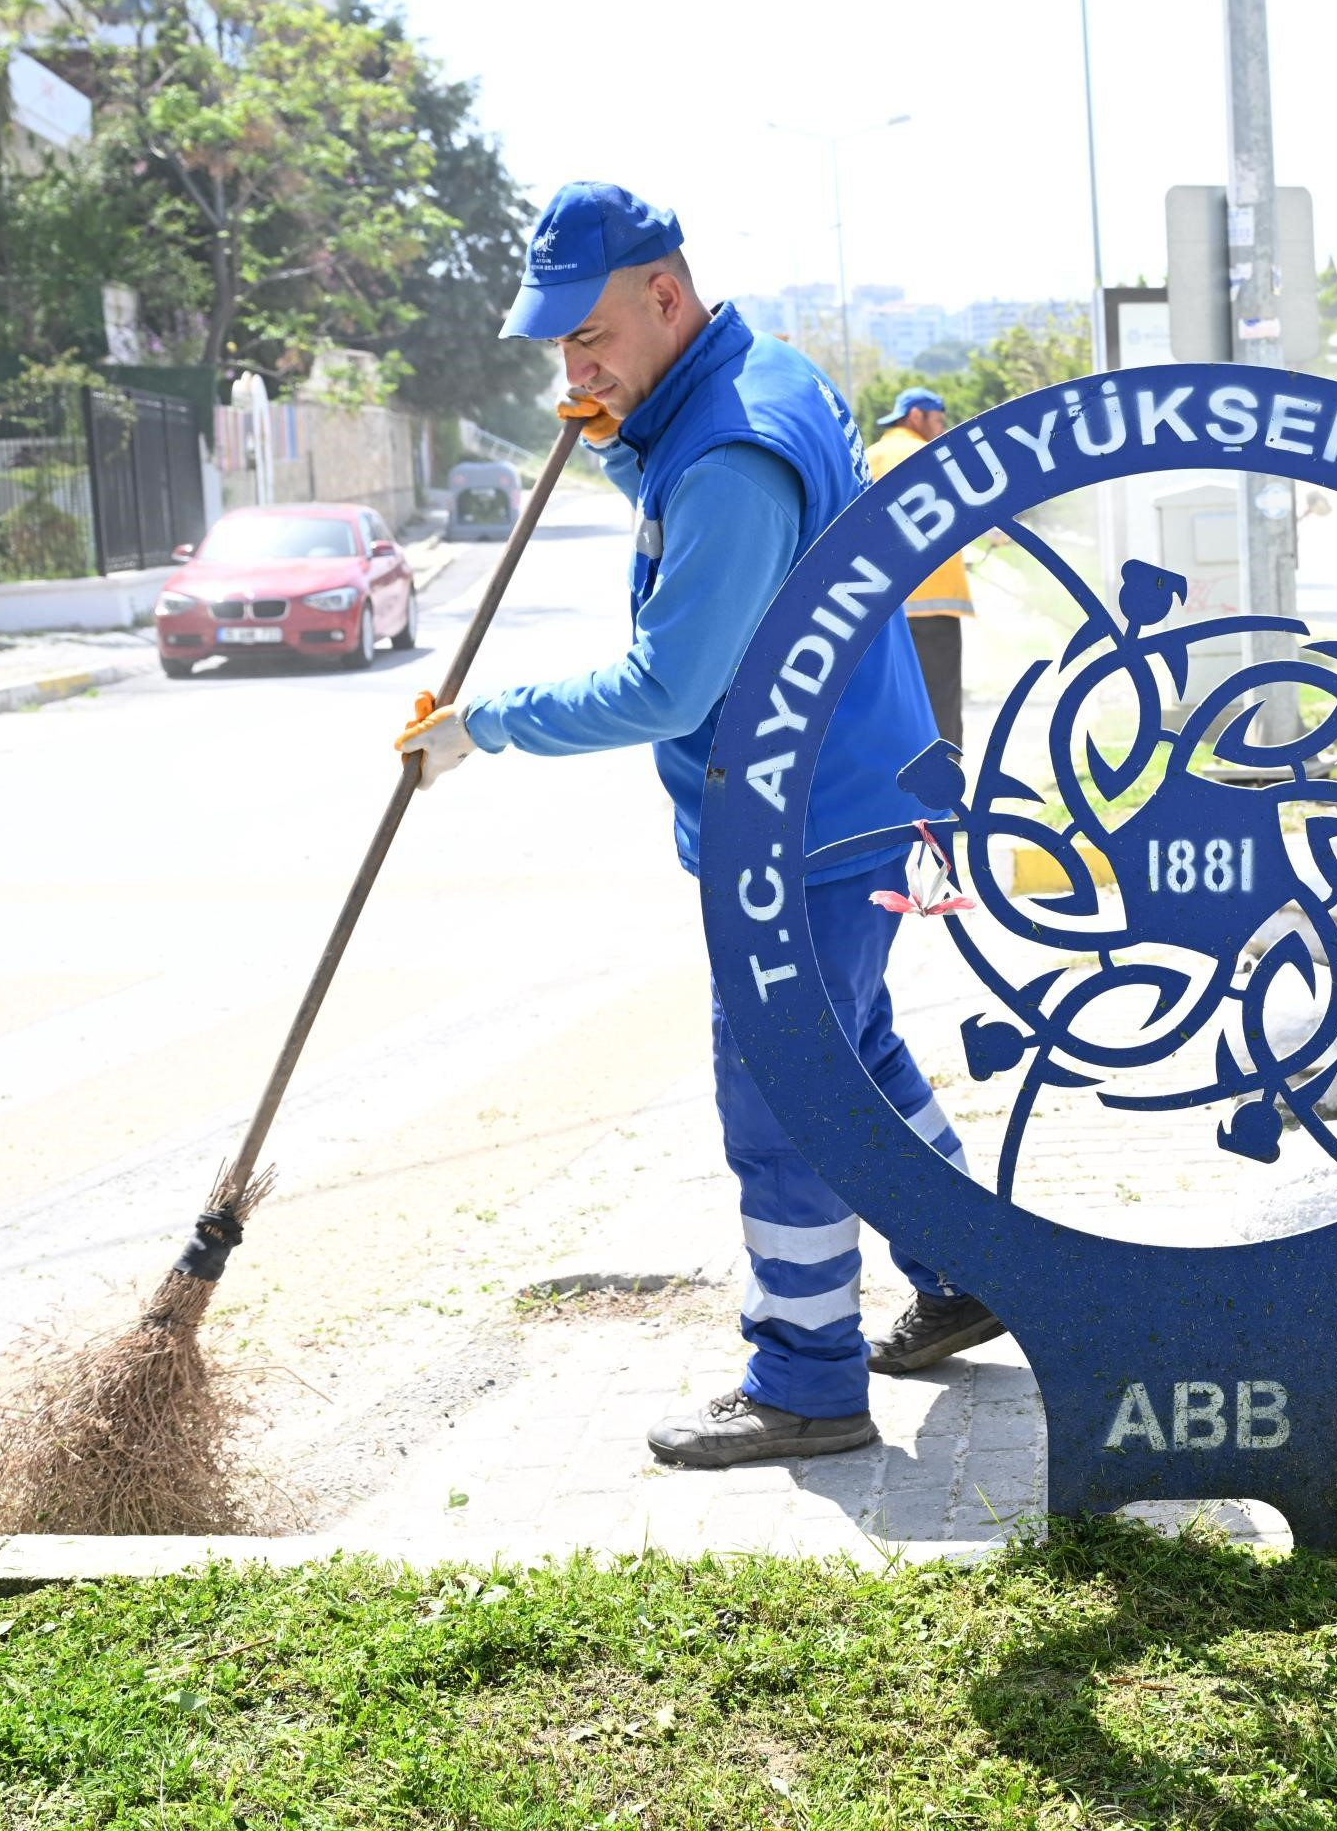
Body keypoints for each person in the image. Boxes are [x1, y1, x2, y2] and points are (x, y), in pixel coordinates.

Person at [391, 183, 1003, 1469]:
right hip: (850, 793)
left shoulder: (727, 454)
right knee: (859, 1058)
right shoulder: (754, 375)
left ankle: (806, 1381)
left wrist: (481, 725)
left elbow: (668, 684)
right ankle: (972, 1269)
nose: (575, 365)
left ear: (665, 296)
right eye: (558, 346)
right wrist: (624, 426)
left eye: (592, 338)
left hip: (803, 822)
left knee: (781, 1092)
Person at [864, 387, 975, 748]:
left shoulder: (868, 457)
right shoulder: (931, 455)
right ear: (916, 416)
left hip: (878, 608)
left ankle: (896, 796)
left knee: (890, 707)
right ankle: (945, 796)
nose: (942, 430)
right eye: (938, 422)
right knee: (939, 703)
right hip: (934, 605)